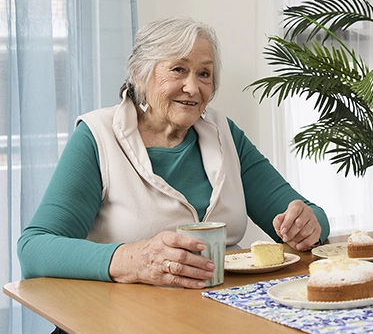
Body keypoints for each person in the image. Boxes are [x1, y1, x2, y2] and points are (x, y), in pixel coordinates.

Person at [18, 17, 331, 289]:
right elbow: (35, 249)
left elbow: (308, 214)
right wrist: (133, 259)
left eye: (204, 74)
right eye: (178, 70)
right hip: (126, 319)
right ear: (140, 75)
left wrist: (307, 227)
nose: (193, 88)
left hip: (221, 311)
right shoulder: (98, 136)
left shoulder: (224, 133)